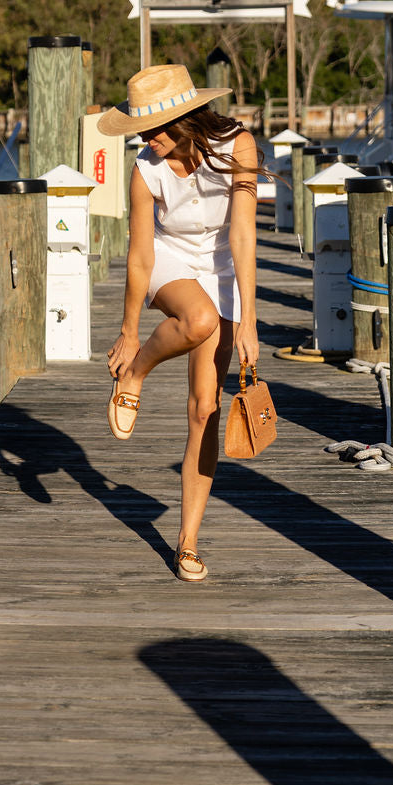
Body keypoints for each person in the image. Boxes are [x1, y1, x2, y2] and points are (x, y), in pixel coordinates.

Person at [96, 63, 261, 583]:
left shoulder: (239, 146)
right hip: (172, 261)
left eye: (158, 128)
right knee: (198, 318)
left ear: (189, 118)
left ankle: (186, 541)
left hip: (223, 266)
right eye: (143, 131)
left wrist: (252, 321)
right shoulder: (145, 169)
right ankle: (136, 373)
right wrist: (127, 333)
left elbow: (242, 237)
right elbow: (141, 256)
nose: (150, 139)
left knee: (205, 409)